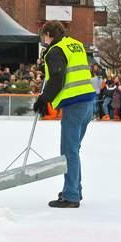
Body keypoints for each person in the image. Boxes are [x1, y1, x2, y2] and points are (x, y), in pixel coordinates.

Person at [33, 20, 95, 208]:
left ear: (48, 35)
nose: (44, 40)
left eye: (44, 36)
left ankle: (71, 196)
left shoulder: (55, 50)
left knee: (69, 151)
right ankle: (75, 190)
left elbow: (58, 77)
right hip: (88, 102)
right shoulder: (76, 45)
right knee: (73, 150)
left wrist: (44, 99)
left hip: (74, 104)